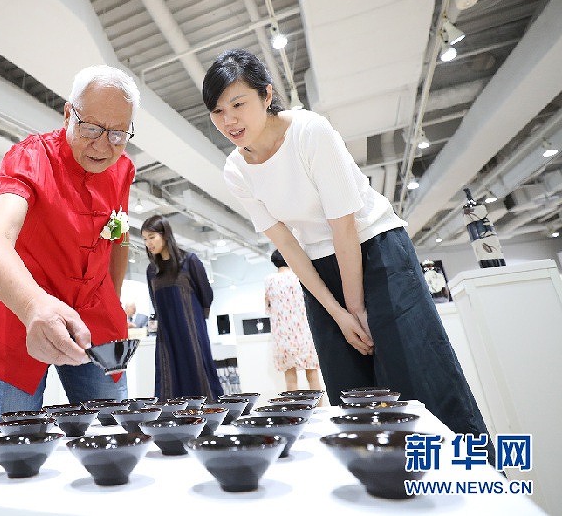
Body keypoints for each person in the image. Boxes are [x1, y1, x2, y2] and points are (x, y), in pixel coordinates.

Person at [202, 49, 492, 453]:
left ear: (266, 96)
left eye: (238, 104)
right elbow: (287, 244)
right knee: (348, 391)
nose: (228, 120)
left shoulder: (309, 131)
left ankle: (476, 478)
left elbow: (344, 224)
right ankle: (378, 483)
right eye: (217, 111)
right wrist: (337, 312)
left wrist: (355, 307)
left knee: (420, 378)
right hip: (319, 271)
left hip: (375, 249)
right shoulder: (236, 171)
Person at [0, 65, 139, 426]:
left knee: (113, 434)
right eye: (91, 128)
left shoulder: (123, 169)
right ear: (68, 113)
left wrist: (112, 294)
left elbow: (119, 235)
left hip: (99, 319)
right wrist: (34, 305)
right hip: (21, 312)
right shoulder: (30, 158)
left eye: (117, 133)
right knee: (15, 440)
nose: (102, 145)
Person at [140, 214, 223, 400]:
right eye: (145, 239)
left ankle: (210, 415)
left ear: (165, 235)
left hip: (192, 329)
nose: (148, 243)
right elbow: (155, 302)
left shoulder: (189, 260)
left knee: (198, 368)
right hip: (166, 333)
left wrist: (196, 321)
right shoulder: (151, 270)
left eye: (152, 237)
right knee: (169, 374)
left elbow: (206, 295)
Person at [264, 250, 322, 395]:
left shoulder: (269, 280)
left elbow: (267, 307)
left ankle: (295, 412)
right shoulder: (298, 276)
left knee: (290, 379)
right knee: (313, 376)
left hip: (283, 335)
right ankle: (320, 409)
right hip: (304, 332)